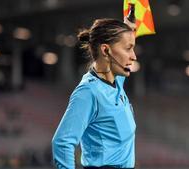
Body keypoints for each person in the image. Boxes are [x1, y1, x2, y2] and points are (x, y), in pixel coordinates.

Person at [52, 18, 137, 169]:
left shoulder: (116, 83)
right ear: (105, 50)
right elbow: (62, 142)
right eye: (128, 49)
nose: (134, 56)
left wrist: (130, 25)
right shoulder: (88, 92)